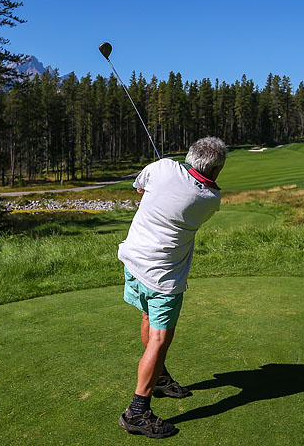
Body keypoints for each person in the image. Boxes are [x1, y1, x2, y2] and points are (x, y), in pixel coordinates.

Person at [117, 136, 227, 438]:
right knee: (159, 339)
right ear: (215, 171)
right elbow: (202, 185)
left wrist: (165, 171)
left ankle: (160, 376)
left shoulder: (163, 167)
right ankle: (137, 412)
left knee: (148, 320)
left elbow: (140, 187)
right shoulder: (210, 200)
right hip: (163, 278)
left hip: (133, 261)